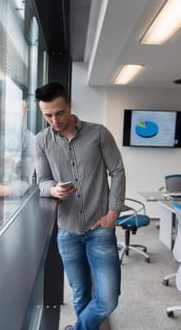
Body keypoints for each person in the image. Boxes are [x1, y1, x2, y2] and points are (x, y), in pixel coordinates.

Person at [34, 82, 126, 330]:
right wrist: (54, 190)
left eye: (59, 112)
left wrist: (113, 214)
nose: (54, 120)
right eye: (47, 115)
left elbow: (117, 171)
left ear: (69, 106)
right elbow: (42, 182)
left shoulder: (99, 134)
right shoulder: (41, 141)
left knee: (107, 299)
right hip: (68, 231)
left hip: (100, 228)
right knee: (80, 294)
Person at [0, 98, 35, 197]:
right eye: (6, 112)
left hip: (9, 202)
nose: (10, 118)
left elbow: (26, 181)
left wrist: (6, 190)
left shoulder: (27, 139)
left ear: (24, 112)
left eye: (16, 114)